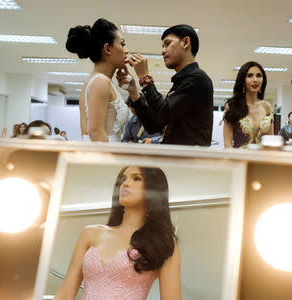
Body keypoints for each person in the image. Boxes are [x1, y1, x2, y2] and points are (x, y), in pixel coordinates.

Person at [54, 166, 181, 300]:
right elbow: (64, 294)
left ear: (154, 189)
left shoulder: (163, 244)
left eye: (136, 178)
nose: (125, 184)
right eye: (123, 179)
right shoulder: (90, 234)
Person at [117, 24, 213, 146]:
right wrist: (134, 91)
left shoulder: (197, 79)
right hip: (175, 159)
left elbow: (163, 114)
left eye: (167, 44)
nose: (163, 51)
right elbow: (154, 126)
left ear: (185, 42)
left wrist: (145, 78)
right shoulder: (182, 82)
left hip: (187, 160)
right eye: (163, 46)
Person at [66, 18, 130, 142]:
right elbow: (95, 132)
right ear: (107, 49)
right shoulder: (101, 81)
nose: (126, 50)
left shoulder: (98, 81)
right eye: (122, 44)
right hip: (104, 154)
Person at [223, 61, 273, 148]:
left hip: (262, 160)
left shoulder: (267, 107)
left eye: (259, 75)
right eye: (249, 76)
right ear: (242, 80)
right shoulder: (232, 106)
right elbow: (227, 143)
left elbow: (271, 142)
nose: (255, 80)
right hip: (238, 159)